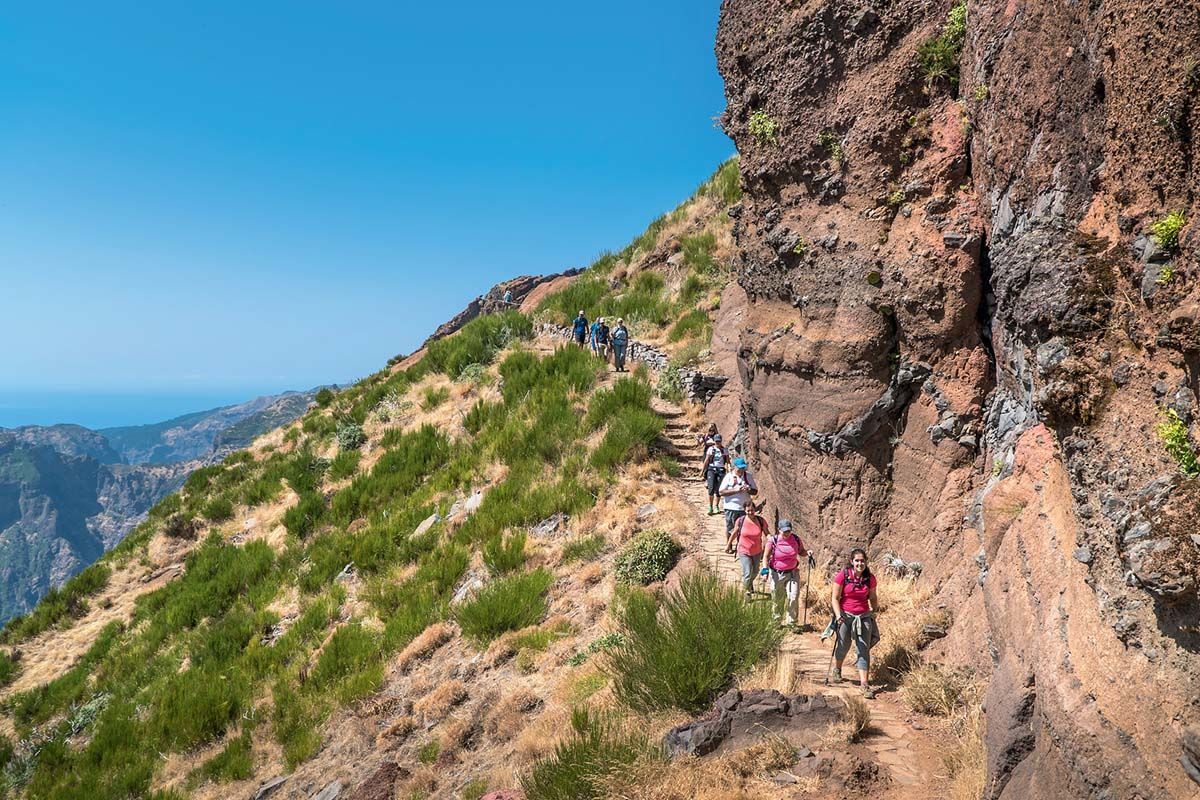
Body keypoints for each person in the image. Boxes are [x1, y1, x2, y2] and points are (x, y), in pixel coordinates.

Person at [828, 548, 880, 698]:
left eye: (862, 561)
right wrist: (838, 616)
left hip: (863, 616)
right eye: (857, 560)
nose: (860, 563)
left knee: (863, 649)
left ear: (866, 562)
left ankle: (864, 684)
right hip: (845, 615)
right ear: (852, 562)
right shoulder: (842, 576)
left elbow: (873, 596)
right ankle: (837, 669)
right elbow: (835, 598)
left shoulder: (869, 578)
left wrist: (874, 611)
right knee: (843, 645)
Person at [763, 520, 808, 626]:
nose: (787, 533)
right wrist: (765, 571)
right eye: (784, 531)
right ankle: (776, 620)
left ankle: (792, 622)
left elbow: (801, 552)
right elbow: (765, 557)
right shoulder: (772, 541)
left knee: (793, 596)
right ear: (779, 530)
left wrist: (808, 553)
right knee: (778, 598)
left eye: (788, 531)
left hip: (792, 573)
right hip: (776, 574)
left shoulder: (796, 539)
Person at [726, 500, 769, 598]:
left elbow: (767, 533)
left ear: (755, 510)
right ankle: (747, 593)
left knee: (755, 571)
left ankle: (749, 583)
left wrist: (771, 539)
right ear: (745, 511)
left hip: (757, 551)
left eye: (752, 510)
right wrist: (728, 545)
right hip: (744, 550)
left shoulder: (761, 521)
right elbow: (735, 533)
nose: (750, 512)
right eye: (748, 510)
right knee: (748, 572)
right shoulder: (741, 521)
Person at [718, 457, 758, 538]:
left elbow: (755, 491)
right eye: (740, 468)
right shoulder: (729, 476)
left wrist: (748, 489)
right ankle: (729, 545)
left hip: (745, 508)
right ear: (734, 467)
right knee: (730, 528)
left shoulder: (748, 476)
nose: (741, 470)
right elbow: (721, 492)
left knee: (743, 528)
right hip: (731, 507)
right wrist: (735, 490)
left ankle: (739, 546)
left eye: (743, 467)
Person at [700, 433, 728, 515]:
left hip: (721, 469)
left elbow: (727, 461)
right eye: (716, 441)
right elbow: (706, 460)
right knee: (711, 488)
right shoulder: (710, 449)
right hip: (711, 469)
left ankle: (716, 506)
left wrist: (729, 470)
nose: (717, 443)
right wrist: (702, 471)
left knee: (719, 489)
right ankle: (710, 506)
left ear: (721, 441)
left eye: (719, 441)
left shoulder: (724, 450)